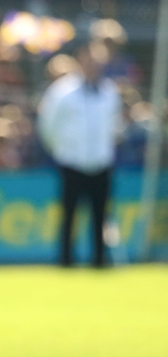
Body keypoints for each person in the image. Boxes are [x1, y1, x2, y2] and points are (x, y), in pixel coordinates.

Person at [37, 40, 122, 268]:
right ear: (80, 61)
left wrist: (107, 149)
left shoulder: (110, 91)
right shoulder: (62, 91)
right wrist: (62, 151)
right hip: (72, 162)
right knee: (70, 215)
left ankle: (100, 260)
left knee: (100, 215)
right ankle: (66, 260)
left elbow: (115, 126)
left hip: (101, 163)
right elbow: (48, 126)